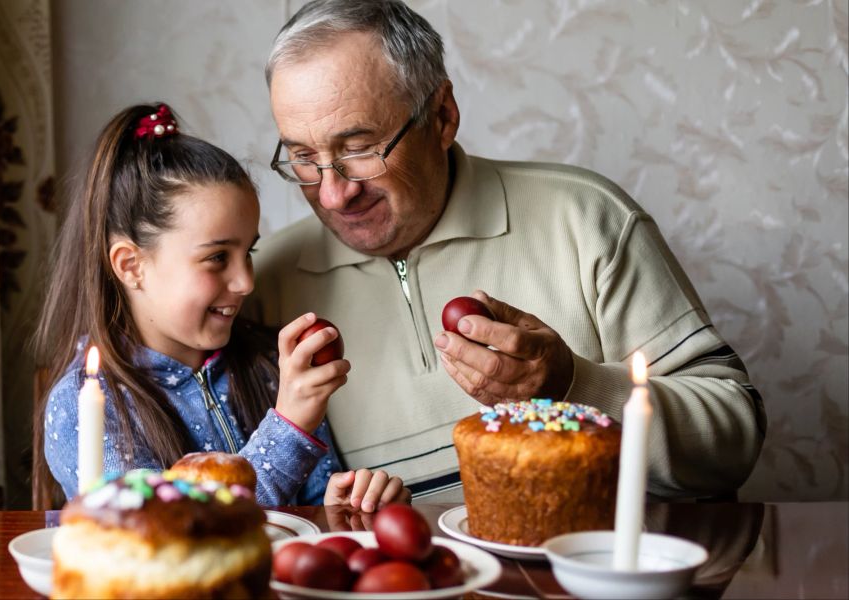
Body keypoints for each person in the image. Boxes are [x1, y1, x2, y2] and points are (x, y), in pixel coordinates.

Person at [247, 0, 766, 502]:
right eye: (303, 157)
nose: (335, 193)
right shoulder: (259, 284)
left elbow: (735, 438)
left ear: (442, 116)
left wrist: (574, 386)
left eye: (360, 149)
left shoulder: (584, 216)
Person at [32, 102, 410, 511]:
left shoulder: (268, 365)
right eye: (216, 258)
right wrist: (288, 428)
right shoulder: (86, 404)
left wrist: (343, 507)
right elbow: (169, 536)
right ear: (131, 265)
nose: (246, 281)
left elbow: (314, 508)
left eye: (249, 252)